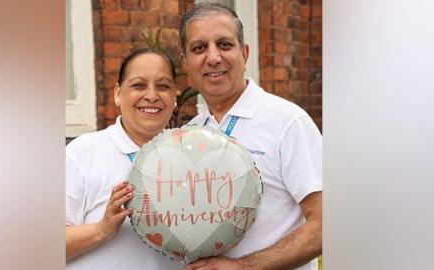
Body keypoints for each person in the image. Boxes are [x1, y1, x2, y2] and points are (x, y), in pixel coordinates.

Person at [179, 3, 322, 270]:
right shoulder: (188, 136)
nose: (213, 57)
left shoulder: (288, 122)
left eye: (224, 44)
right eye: (199, 48)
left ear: (244, 53)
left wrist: (244, 268)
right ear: (185, 62)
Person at [65, 48, 181, 270]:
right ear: (118, 93)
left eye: (163, 86)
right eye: (139, 85)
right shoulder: (83, 153)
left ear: (174, 97)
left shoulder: (189, 157)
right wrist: (102, 229)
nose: (152, 95)